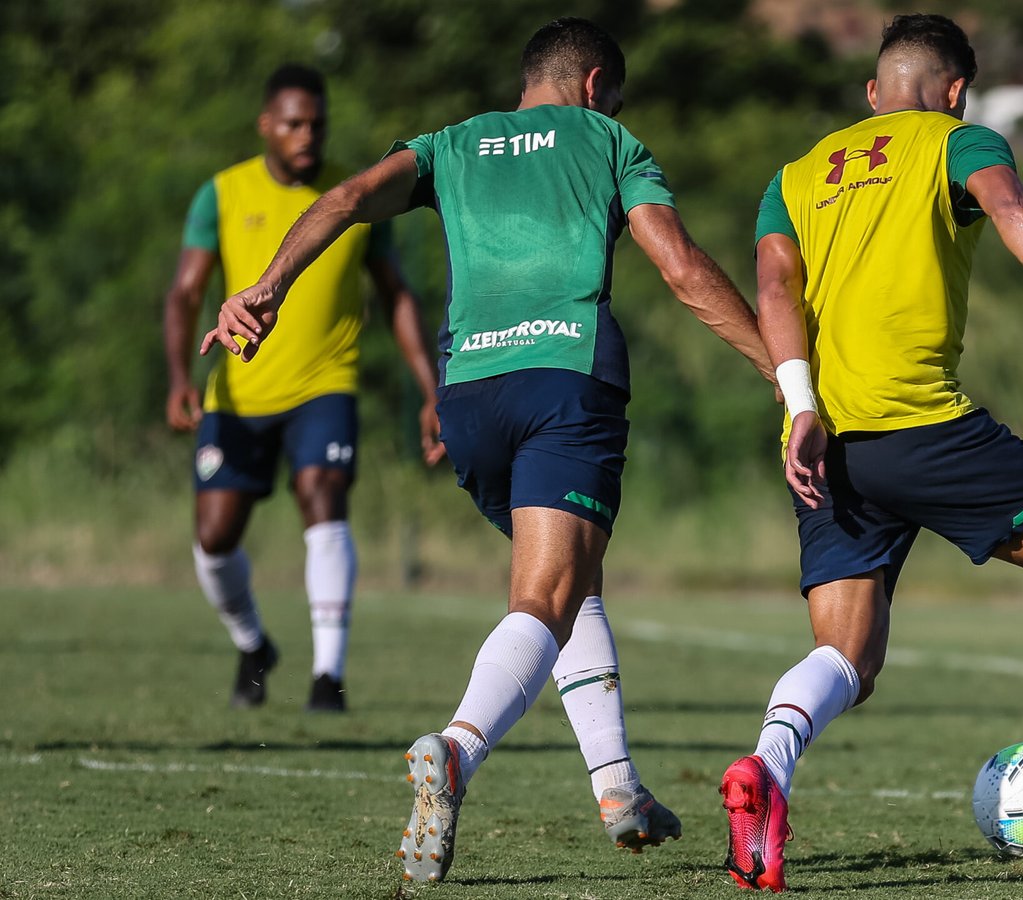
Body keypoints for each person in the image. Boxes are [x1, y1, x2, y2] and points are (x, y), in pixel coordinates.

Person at [201, 18, 774, 884]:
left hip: (467, 397)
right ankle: (458, 750)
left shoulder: (452, 143)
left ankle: (619, 787)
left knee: (572, 577)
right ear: (593, 86)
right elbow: (683, 268)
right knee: (546, 593)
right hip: (565, 381)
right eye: (611, 95)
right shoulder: (609, 139)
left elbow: (348, 197)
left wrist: (268, 287)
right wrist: (784, 369)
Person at [719, 14, 1023, 891]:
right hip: (923, 426)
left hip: (822, 442)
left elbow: (774, 285)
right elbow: (1013, 209)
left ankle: (766, 771)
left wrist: (801, 404)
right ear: (956, 90)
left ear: (872, 95)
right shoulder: (957, 141)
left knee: (848, 658)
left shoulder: (793, 176)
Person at [164, 64, 444, 714]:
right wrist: (180, 376)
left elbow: (397, 295)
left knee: (323, 493)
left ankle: (327, 676)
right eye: (293, 123)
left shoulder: (356, 196)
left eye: (317, 123)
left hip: (326, 383)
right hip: (238, 392)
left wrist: (431, 386)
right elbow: (183, 294)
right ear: (266, 124)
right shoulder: (223, 193)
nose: (306, 135)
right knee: (214, 537)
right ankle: (254, 644)